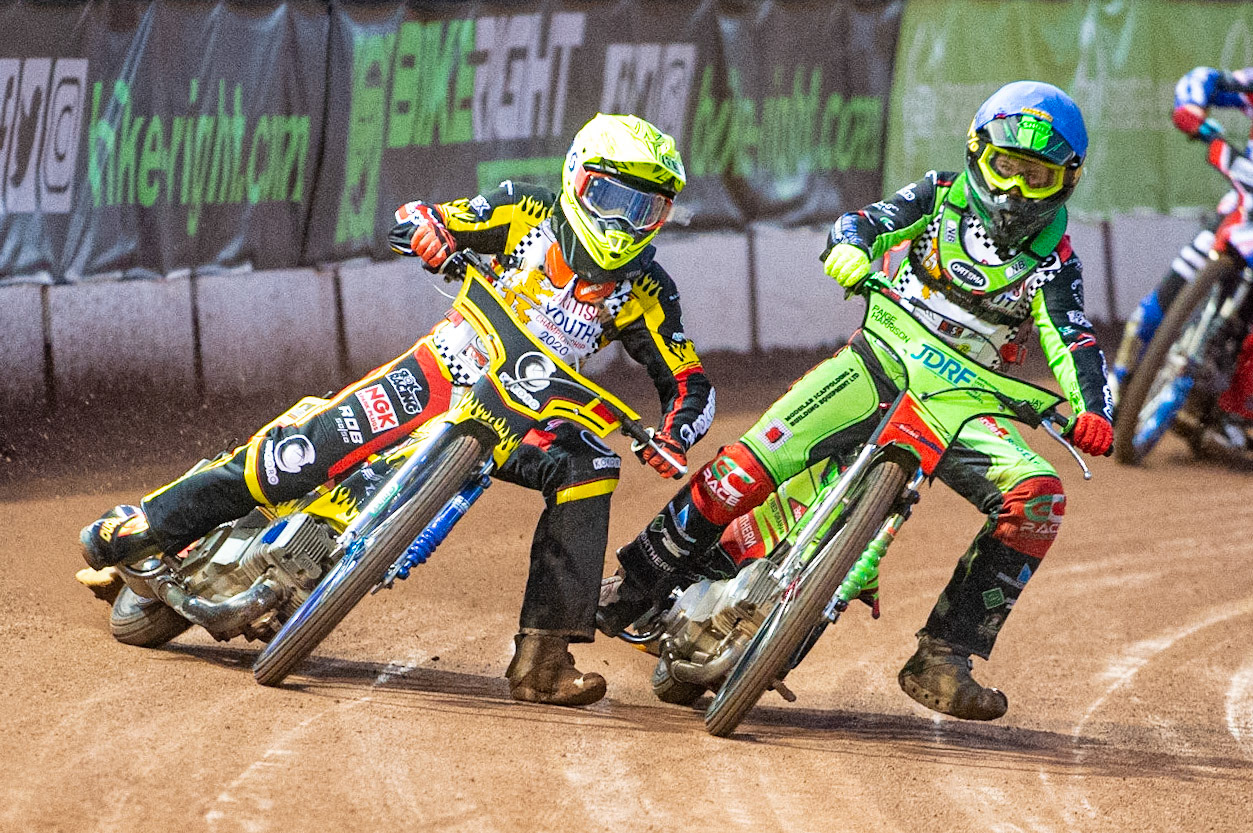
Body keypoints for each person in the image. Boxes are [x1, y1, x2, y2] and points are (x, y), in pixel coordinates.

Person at [78, 113, 714, 707]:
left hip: (528, 422)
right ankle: (147, 525)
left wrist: (675, 433)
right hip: (442, 371)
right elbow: (419, 215)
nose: (627, 221)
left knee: (592, 467)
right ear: (578, 179)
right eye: (614, 198)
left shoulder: (648, 290)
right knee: (301, 455)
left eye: (647, 208)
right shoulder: (525, 209)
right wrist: (431, 234)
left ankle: (543, 662)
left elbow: (690, 382)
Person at [598, 81, 1114, 721]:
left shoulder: (1057, 262)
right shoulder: (939, 194)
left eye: (1034, 176)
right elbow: (867, 221)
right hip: (879, 358)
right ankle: (637, 582)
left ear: (1064, 180)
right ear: (978, 153)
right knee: (743, 472)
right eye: (1005, 166)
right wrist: (849, 246)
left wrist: (1094, 407)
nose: (1012, 190)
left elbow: (1074, 338)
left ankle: (945, 656)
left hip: (965, 399)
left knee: (1039, 494)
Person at [1108, 66, 1253, 445]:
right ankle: (1105, 397)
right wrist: (1192, 107)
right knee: (1148, 316)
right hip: (1239, 213)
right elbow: (1204, 78)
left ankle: (1230, 410)